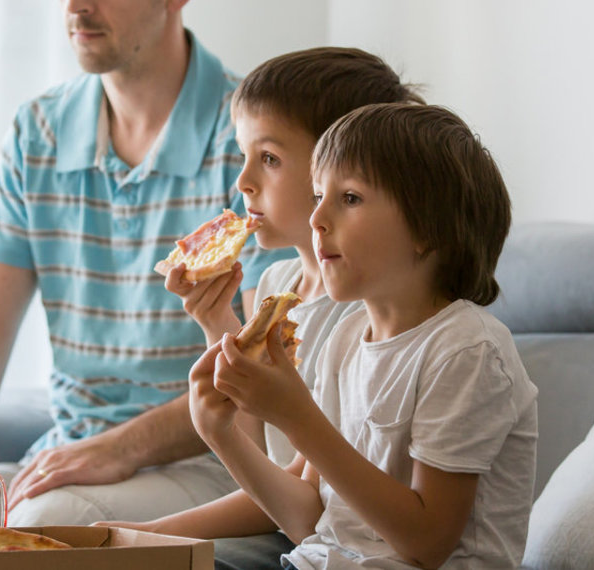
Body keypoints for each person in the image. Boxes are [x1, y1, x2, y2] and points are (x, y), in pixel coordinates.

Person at [0, 0, 293, 526]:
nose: (76, 7)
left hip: (217, 461)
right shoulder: (38, 132)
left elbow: (262, 363)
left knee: (28, 527)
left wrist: (122, 447)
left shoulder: (253, 139)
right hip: (70, 454)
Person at [156, 103, 538, 569]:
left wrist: (298, 417)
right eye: (318, 195)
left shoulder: (466, 350)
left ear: (428, 229)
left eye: (350, 198)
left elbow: (428, 543)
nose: (317, 218)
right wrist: (219, 434)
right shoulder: (346, 336)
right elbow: (307, 521)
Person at [112, 48, 424, 569]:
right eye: (243, 155)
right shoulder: (280, 282)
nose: (243, 182)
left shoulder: (360, 315)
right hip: (291, 528)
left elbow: (304, 502)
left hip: (328, 540)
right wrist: (218, 323)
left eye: (270, 159)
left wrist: (148, 536)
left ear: (340, 173)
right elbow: (259, 461)